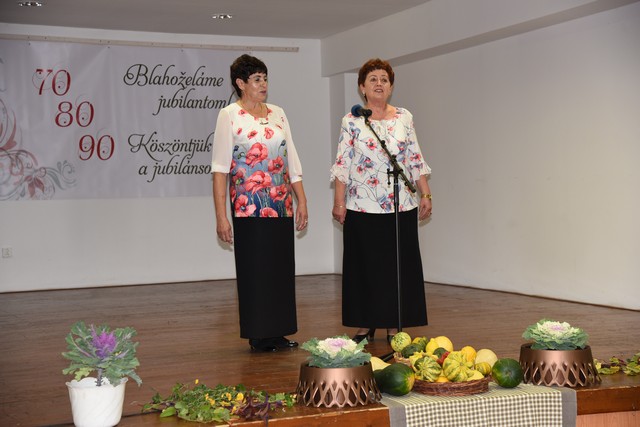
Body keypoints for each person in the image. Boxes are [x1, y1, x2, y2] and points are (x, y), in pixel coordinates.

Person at [330, 58, 432, 344]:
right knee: (365, 267)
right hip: (361, 205)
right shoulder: (352, 121)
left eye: (384, 79)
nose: (379, 83)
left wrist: (425, 193)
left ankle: (393, 325)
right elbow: (343, 163)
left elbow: (414, 157)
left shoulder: (404, 117)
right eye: (372, 79)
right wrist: (339, 202)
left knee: (396, 268)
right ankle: (365, 323)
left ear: (391, 86)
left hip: (400, 204)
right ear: (362, 87)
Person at [212, 54, 308, 352]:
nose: (263, 84)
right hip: (248, 206)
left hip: (281, 204)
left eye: (265, 78)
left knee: (280, 269)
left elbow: (291, 160)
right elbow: (220, 169)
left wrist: (302, 200)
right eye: (256, 79)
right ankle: (258, 334)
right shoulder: (229, 115)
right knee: (255, 270)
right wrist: (221, 217)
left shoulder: (278, 113)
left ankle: (278, 332)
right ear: (241, 83)